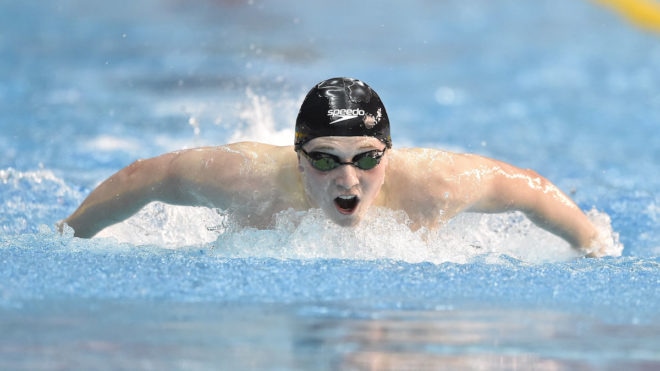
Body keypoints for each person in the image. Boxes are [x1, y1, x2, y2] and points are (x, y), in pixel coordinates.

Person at [60, 77, 607, 257]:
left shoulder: (435, 185)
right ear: (298, 162)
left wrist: (594, 249)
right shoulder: (245, 179)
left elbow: (530, 190)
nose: (347, 179)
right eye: (324, 160)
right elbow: (148, 177)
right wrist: (65, 237)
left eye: (366, 160)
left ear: (387, 159)